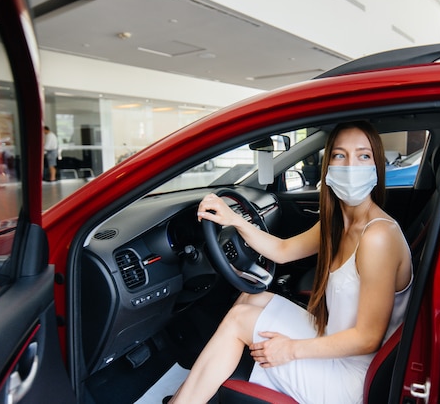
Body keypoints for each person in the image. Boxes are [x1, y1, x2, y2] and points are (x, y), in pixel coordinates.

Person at [169, 121, 413, 404]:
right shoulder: (336, 223)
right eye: (339, 155)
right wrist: (234, 220)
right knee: (250, 299)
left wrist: (291, 350)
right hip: (335, 340)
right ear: (328, 166)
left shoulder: (378, 236)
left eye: (363, 155)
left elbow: (367, 338)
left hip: (353, 378)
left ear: (376, 167)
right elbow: (283, 250)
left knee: (239, 320)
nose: (351, 166)